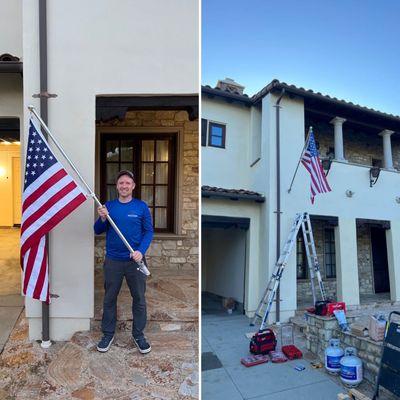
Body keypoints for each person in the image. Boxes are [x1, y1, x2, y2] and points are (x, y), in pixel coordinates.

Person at [94, 170, 153, 354]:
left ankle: (138, 335)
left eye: (128, 183)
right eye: (121, 183)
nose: (124, 186)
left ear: (133, 186)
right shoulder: (109, 206)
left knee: (139, 299)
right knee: (110, 298)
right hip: (113, 261)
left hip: (135, 261)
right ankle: (108, 334)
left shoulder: (141, 207)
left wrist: (140, 251)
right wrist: (103, 217)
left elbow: (148, 231)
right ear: (117, 186)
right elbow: (97, 230)